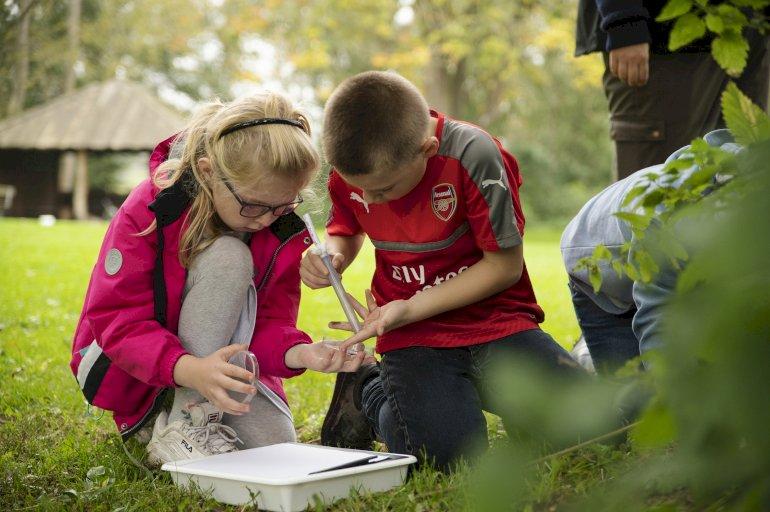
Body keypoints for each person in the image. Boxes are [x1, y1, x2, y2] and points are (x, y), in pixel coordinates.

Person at [300, 71, 583, 471]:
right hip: (414, 336)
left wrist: (410, 306)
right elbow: (346, 223)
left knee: (586, 429)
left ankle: (500, 397)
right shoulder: (359, 163)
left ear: (427, 149)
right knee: (443, 460)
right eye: (358, 187)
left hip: (495, 320)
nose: (369, 199)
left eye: (382, 191)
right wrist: (332, 254)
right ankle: (369, 387)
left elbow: (503, 267)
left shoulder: (474, 155)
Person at [70, 92, 368, 465]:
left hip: (215, 366)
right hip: (131, 373)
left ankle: (197, 413)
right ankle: (179, 423)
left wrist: (303, 352)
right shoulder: (151, 208)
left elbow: (267, 324)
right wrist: (191, 370)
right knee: (230, 256)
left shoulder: (278, 229)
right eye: (254, 205)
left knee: (277, 446)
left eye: (283, 206)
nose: (265, 220)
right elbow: (117, 321)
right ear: (209, 171)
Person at [560, 129, 742, 375]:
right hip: (599, 272)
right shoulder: (674, 214)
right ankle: (587, 360)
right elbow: (659, 310)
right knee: (638, 403)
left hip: (677, 278)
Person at [575, 0, 768, 180]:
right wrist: (624, 20)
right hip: (659, 37)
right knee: (654, 194)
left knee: (743, 186)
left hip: (749, 28)